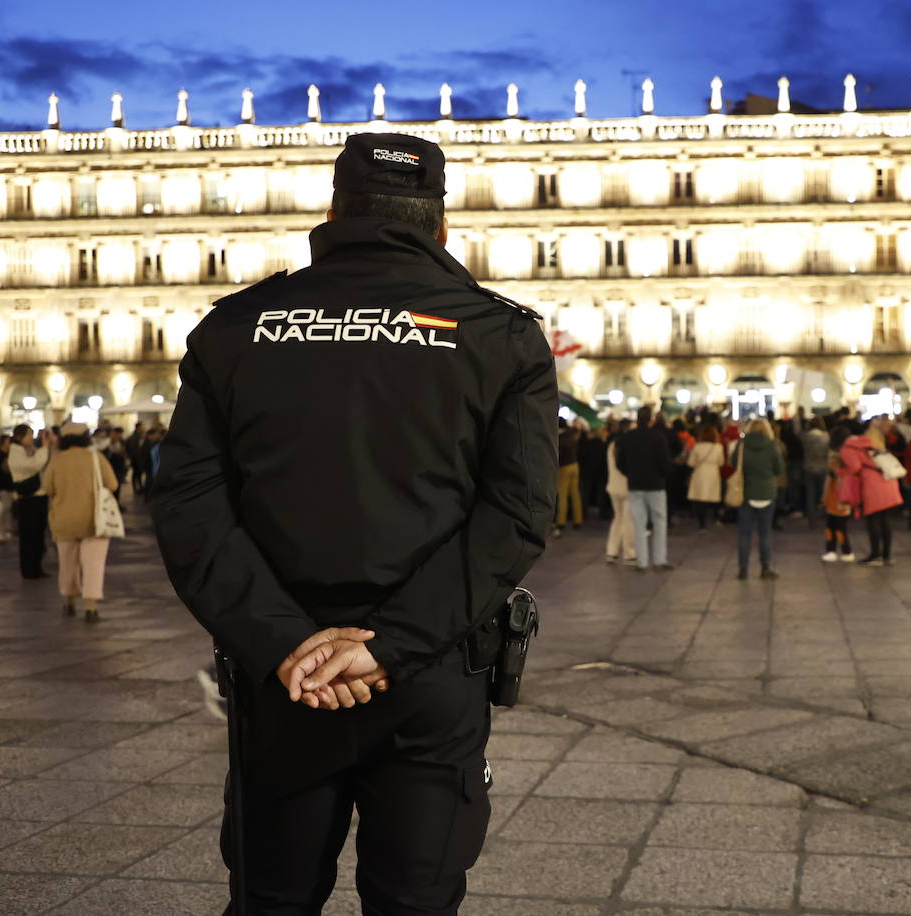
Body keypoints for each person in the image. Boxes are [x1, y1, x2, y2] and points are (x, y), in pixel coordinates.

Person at [151, 132, 558, 914]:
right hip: (432, 674)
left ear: (333, 211)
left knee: (272, 899)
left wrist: (284, 643)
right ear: (440, 226)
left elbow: (187, 501)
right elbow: (517, 512)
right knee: (417, 899)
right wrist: (391, 648)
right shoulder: (500, 336)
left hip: (284, 681)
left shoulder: (237, 327)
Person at [44, 421, 119, 623]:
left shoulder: (57, 461)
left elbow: (47, 488)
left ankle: (68, 601)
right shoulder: (96, 458)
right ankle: (90, 607)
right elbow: (112, 483)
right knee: (93, 564)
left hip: (64, 519)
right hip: (94, 520)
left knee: (67, 562)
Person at [616, 404, 673, 571]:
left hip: (635, 485)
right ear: (651, 419)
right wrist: (663, 474)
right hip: (656, 485)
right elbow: (665, 462)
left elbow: (620, 462)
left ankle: (641, 561)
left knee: (639, 523)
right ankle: (659, 559)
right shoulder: (658, 437)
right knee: (659, 521)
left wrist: (630, 474)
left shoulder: (629, 437)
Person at [839, 425, 903, 566]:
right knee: (885, 520)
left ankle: (875, 555)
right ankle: (886, 555)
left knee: (872, 519)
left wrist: (841, 470)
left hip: (873, 485)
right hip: (888, 482)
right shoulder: (869, 443)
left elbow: (855, 467)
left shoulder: (847, 448)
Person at [734, 418, 785, 579]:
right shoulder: (772, 446)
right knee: (765, 533)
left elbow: (734, 464)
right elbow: (779, 469)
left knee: (744, 533)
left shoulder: (741, 446)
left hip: (746, 494)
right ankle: (766, 567)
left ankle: (743, 569)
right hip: (767, 494)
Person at [9, 423, 56, 579]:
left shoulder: (28, 450)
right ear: (19, 437)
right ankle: (29, 570)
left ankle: (36, 568)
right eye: (29, 435)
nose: (31, 438)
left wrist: (45, 446)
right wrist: (44, 448)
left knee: (38, 535)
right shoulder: (15, 453)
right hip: (29, 500)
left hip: (38, 497)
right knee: (29, 536)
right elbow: (34, 466)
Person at [604, 420, 637, 564]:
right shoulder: (628, 445)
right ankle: (629, 553)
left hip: (613, 486)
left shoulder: (612, 445)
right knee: (628, 519)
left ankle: (611, 551)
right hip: (627, 487)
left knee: (617, 518)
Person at [821, 427, 856, 561]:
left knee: (836, 525)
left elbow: (833, 474)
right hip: (839, 495)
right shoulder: (849, 454)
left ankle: (842, 550)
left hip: (838, 495)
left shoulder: (838, 456)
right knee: (836, 525)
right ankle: (838, 550)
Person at [686, 423, 724, 528]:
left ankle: (702, 523)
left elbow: (690, 463)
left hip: (700, 473)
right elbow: (721, 462)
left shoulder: (697, 447)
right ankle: (716, 518)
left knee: (700, 499)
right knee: (714, 496)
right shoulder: (718, 447)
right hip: (713, 473)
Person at [554, 419, 583, 536]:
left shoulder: (559, 438)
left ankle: (561, 522)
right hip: (575, 465)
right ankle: (578, 520)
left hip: (564, 467)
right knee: (575, 494)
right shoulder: (571, 435)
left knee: (562, 496)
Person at [801, 417, 830, 522]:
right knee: (824, 493)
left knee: (810, 494)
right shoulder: (826, 437)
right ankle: (824, 515)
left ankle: (811, 518)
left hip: (809, 467)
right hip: (822, 467)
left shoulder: (805, 437)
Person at [578, 424, 609, 520]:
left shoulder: (586, 445)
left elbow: (581, 458)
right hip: (600, 473)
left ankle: (583, 513)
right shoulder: (604, 445)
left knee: (585, 494)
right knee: (601, 494)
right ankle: (602, 513)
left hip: (587, 473)